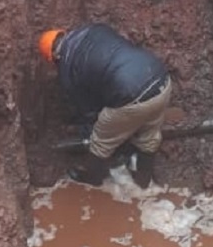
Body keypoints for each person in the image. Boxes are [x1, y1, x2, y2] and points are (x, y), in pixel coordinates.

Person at [38, 24, 173, 188]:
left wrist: (89, 127)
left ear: (53, 56)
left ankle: (94, 177)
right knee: (149, 135)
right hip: (161, 79)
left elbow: (88, 110)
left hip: (132, 96)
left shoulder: (67, 69)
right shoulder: (94, 29)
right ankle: (144, 180)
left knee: (101, 140)